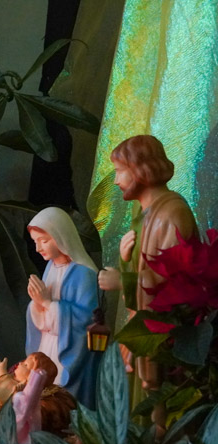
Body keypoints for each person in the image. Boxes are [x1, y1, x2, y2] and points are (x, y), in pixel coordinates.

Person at [98, 135, 199, 391]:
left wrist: (122, 281)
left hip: (166, 342)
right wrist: (124, 261)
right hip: (144, 333)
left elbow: (174, 282)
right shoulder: (146, 215)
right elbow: (147, 271)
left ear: (142, 170)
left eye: (121, 171)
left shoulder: (171, 213)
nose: (117, 180)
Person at [25, 207, 100, 409]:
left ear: (61, 236)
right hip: (48, 345)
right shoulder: (50, 268)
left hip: (70, 351)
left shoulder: (84, 274)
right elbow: (41, 310)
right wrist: (37, 303)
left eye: (44, 240)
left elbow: (87, 320)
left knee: (61, 403)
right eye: (35, 242)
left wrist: (48, 304)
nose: (38, 248)